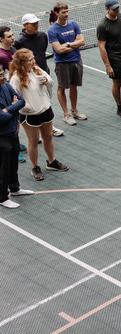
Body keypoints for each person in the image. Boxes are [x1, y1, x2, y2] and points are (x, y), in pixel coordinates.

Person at [8, 49, 68, 181]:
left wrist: (46, 80)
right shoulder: (15, 79)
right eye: (30, 59)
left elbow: (51, 82)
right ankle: (35, 167)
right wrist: (28, 108)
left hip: (45, 109)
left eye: (33, 58)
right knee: (33, 141)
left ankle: (51, 162)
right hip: (30, 115)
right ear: (22, 63)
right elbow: (15, 100)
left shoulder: (37, 69)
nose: (33, 61)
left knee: (48, 137)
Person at [15, 14, 65, 137]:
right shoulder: (19, 42)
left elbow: (42, 53)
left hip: (43, 75)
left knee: (46, 101)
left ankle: (49, 127)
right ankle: (34, 132)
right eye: (33, 24)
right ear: (25, 25)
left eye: (36, 23)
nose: (36, 25)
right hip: (28, 79)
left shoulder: (43, 36)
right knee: (32, 105)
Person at [47, 2, 87, 126]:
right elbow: (59, 50)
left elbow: (82, 42)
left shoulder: (73, 24)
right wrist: (75, 44)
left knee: (74, 86)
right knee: (62, 87)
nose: (66, 14)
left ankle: (74, 111)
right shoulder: (52, 30)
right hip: (63, 64)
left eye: (67, 11)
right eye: (63, 12)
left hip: (77, 60)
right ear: (56, 13)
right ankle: (66, 114)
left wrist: (68, 45)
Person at [0, 65, 33, 209]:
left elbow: (21, 101)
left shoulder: (6, 86)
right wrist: (13, 109)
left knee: (13, 162)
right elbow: (2, 118)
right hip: (1, 137)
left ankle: (14, 188)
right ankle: (2, 197)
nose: (3, 77)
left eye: (3, 73)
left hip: (12, 132)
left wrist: (9, 109)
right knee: (3, 167)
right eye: (0, 75)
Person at [0, 26, 26, 163]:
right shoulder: (2, 55)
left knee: (17, 118)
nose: (12, 38)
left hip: (15, 87)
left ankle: (17, 141)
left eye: (12, 35)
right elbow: (19, 67)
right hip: (8, 88)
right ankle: (15, 148)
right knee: (12, 118)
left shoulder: (12, 48)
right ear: (1, 39)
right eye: (9, 36)